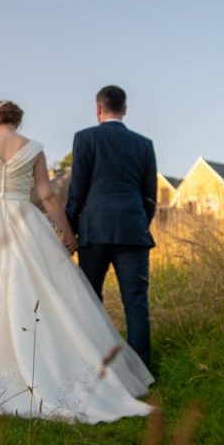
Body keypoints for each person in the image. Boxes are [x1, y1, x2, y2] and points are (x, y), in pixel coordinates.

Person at [0, 100, 154, 423]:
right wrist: (67, 233)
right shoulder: (34, 148)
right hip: (22, 219)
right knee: (35, 289)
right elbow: (48, 196)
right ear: (18, 121)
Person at [65, 85, 157, 368]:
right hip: (133, 230)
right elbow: (150, 196)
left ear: (98, 109)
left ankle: (92, 363)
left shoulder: (85, 139)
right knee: (136, 303)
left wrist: (69, 229)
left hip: (94, 231)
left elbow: (77, 191)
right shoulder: (144, 144)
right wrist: (140, 222)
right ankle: (141, 369)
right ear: (125, 110)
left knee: (90, 300)